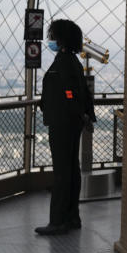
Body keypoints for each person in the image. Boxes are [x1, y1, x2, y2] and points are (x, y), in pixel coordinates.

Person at [35, 19, 95, 235]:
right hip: (72, 123)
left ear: (60, 39)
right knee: (72, 170)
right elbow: (81, 93)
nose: (50, 40)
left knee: (61, 173)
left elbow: (69, 93)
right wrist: (85, 117)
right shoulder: (74, 62)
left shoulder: (62, 64)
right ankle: (72, 217)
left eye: (53, 36)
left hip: (62, 124)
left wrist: (75, 111)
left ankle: (58, 221)